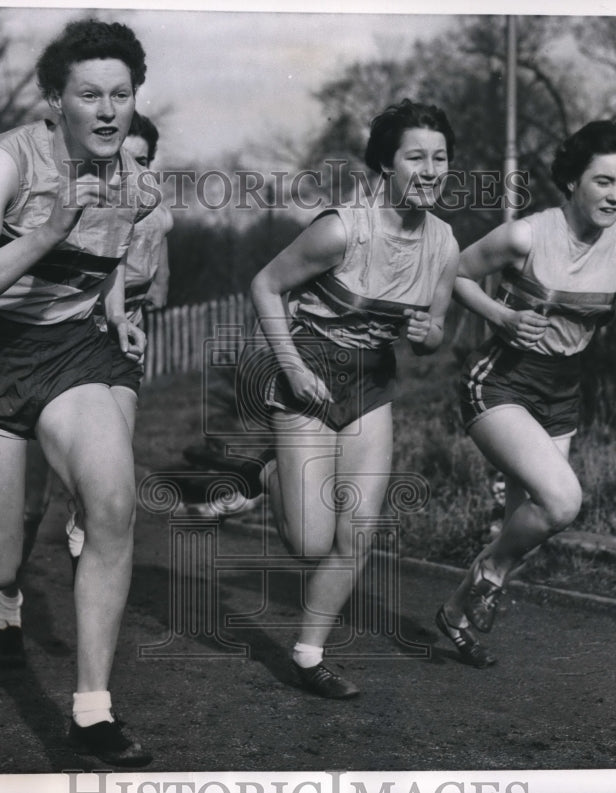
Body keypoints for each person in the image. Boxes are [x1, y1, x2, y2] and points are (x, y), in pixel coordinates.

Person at [0, 19, 157, 767]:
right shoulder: (6, 161)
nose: (109, 111)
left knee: (112, 502)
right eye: (90, 95)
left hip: (71, 357)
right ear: (56, 101)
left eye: (122, 94)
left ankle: (90, 709)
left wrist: (115, 314)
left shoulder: (135, 179)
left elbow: (106, 256)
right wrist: (43, 235)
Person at [433, 120, 616, 668]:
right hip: (500, 382)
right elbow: (451, 272)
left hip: (562, 394)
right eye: (602, 182)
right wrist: (501, 314)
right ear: (572, 181)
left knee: (529, 526)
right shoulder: (525, 235)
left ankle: (454, 615)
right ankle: (490, 576)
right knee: (563, 501)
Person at [250, 99, 460, 698]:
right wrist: (289, 367)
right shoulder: (343, 228)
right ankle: (268, 475)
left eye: (439, 158)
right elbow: (263, 284)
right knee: (310, 541)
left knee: (358, 532)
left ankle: (308, 655)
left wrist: (428, 335)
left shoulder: (444, 244)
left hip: (371, 383)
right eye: (415, 156)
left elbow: (437, 332)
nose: (429, 170)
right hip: (310, 372)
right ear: (385, 166)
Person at [63, 110, 173, 569]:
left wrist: (157, 284)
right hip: (69, 333)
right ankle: (8, 596)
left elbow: (158, 257)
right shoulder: (82, 199)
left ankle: (85, 521)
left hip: (121, 330)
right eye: (125, 160)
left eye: (143, 161)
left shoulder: (152, 204)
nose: (134, 170)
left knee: (115, 463)